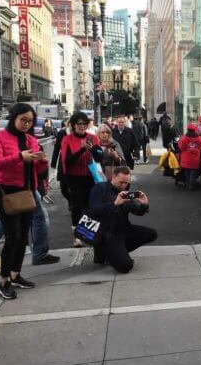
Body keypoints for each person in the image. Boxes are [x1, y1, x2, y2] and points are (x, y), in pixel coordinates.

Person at [0, 103, 46, 299]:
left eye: (30, 121)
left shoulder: (31, 139)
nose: (27, 124)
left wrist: (41, 161)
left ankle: (15, 274)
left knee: (23, 237)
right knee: (12, 236)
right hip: (8, 192)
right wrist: (20, 157)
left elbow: (35, 169)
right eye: (23, 120)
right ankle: (4, 280)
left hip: (28, 192)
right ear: (13, 118)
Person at [88, 166, 158, 273]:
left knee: (151, 234)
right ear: (114, 177)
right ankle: (103, 251)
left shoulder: (125, 192)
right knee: (126, 267)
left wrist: (144, 204)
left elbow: (137, 212)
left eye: (126, 183)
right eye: (121, 182)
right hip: (107, 234)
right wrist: (114, 204)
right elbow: (93, 211)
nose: (124, 185)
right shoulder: (100, 188)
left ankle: (116, 252)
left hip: (124, 230)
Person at [61, 112, 103, 247]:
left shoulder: (93, 138)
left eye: (84, 124)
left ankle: (89, 234)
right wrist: (80, 150)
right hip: (74, 178)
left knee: (90, 207)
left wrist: (93, 150)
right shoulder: (67, 139)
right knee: (77, 207)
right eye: (79, 124)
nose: (82, 126)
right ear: (73, 125)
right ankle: (77, 237)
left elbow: (99, 158)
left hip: (91, 177)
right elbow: (67, 162)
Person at [178, 123, 201, 190]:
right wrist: (195, 149)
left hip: (186, 158)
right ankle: (191, 185)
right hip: (195, 158)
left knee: (187, 171)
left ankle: (187, 184)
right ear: (194, 129)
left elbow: (180, 147)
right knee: (193, 171)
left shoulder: (183, 138)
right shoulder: (198, 138)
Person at [51, 122, 71, 208]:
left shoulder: (77, 134)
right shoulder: (62, 133)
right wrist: (53, 163)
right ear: (69, 124)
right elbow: (57, 148)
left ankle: (75, 204)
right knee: (63, 188)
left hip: (75, 163)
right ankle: (71, 201)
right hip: (63, 162)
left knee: (74, 187)